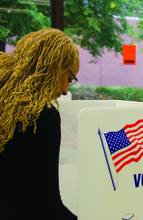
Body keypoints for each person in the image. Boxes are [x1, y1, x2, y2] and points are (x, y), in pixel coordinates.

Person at [0, 28, 80, 219]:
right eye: (69, 79)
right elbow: (48, 208)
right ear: (54, 66)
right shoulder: (42, 117)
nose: (65, 91)